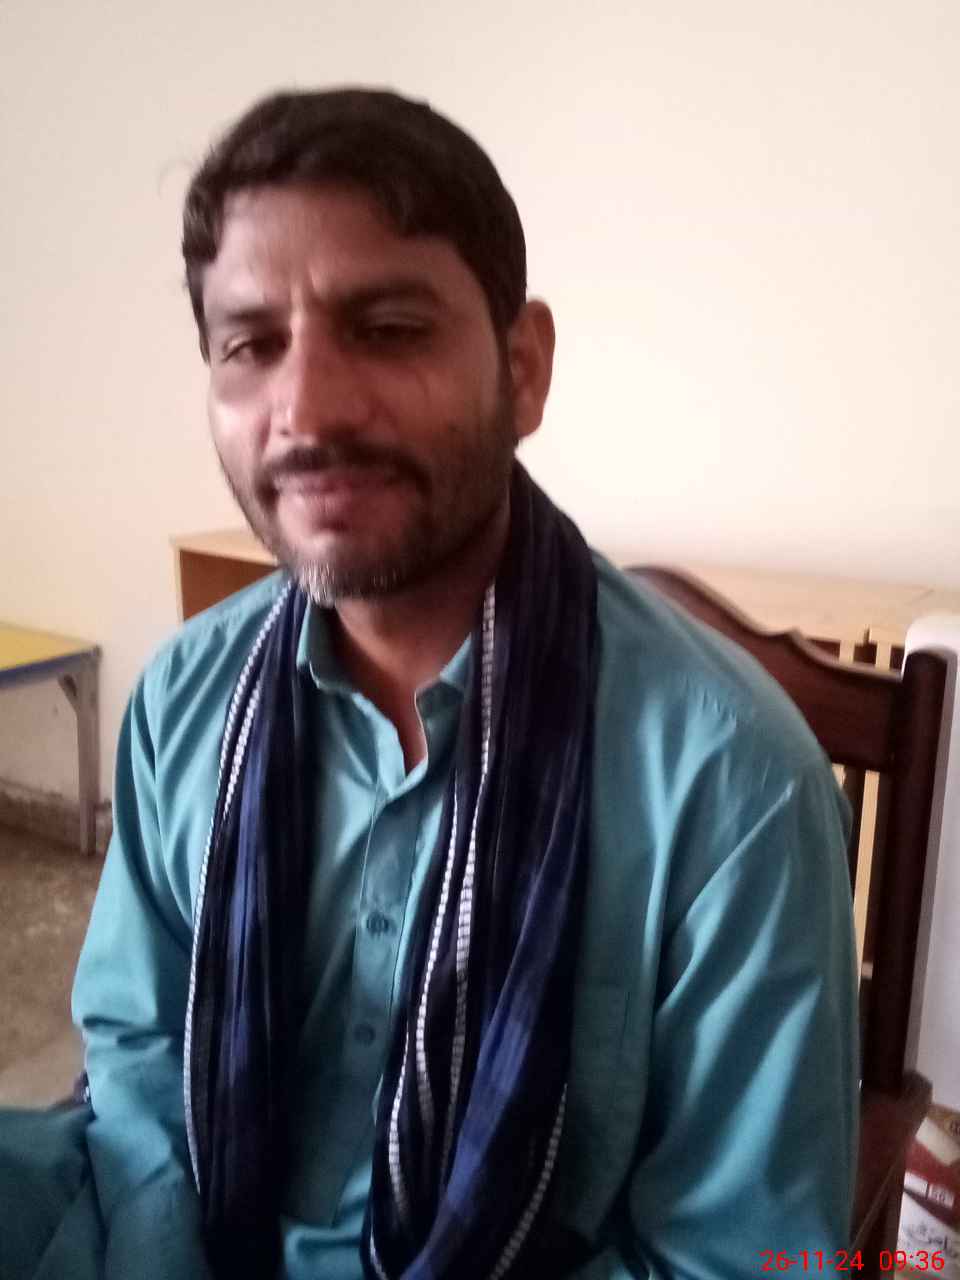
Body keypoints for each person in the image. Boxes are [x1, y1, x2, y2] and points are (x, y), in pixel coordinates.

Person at [0, 87, 858, 1280]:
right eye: (250, 345)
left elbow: (742, 1255)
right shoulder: (186, 696)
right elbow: (139, 1056)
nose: (306, 410)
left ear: (524, 368)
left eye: (390, 327)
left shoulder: (733, 785)